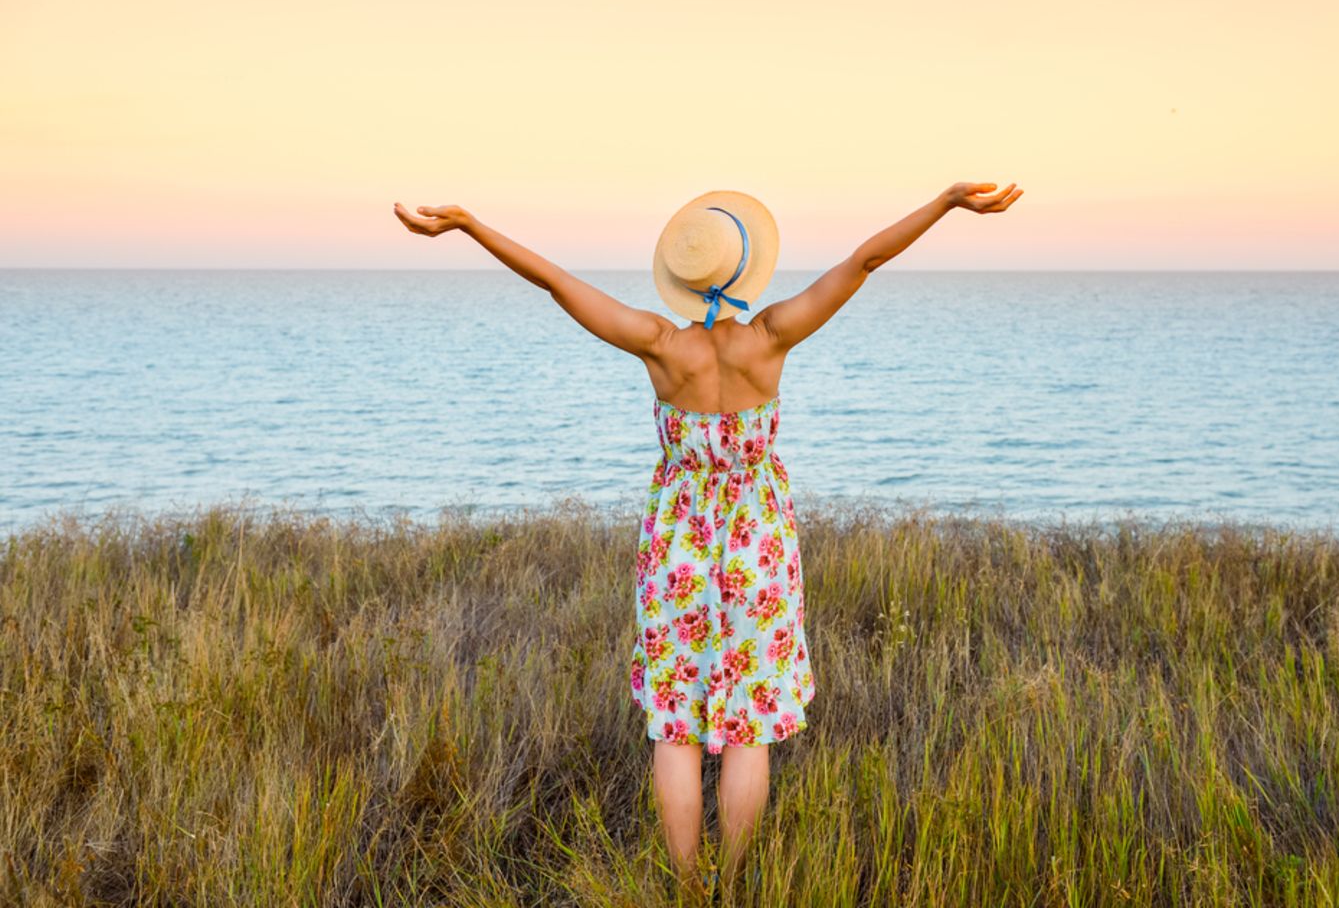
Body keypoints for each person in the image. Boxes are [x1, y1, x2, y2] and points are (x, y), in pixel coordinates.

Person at [393, 180, 1023, 901]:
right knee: (749, 726)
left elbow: (554, 283)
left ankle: (689, 889)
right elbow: (866, 261)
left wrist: (471, 225)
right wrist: (946, 203)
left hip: (678, 552)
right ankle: (738, 882)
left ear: (685, 282)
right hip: (758, 546)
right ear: (746, 266)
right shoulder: (774, 335)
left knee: (676, 729)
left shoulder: (659, 346)